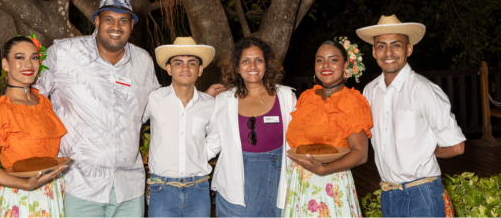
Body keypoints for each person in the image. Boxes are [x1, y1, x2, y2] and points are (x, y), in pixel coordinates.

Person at [0, 0, 223, 217]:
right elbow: (29, 93)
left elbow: (157, 105)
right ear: (97, 21)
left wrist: (199, 98)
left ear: (131, 25)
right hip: (81, 185)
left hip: (130, 187)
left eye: (123, 20)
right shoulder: (64, 52)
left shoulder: (142, 60)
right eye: (109, 19)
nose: (116, 27)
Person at [357, 14, 465, 217]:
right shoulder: (370, 91)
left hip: (421, 194)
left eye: (396, 45)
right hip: (388, 193)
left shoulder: (422, 90)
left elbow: (457, 147)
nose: (388, 52)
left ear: (409, 49)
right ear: (373, 51)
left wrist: (423, 151)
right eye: (381, 46)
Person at [0, 36, 67, 217]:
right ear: (5, 64)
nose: (29, 64)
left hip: (52, 195)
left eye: (34, 58)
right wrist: (26, 185)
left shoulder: (43, 103)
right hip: (21, 198)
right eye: (20, 57)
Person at [205, 37, 297, 217]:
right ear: (237, 68)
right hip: (234, 186)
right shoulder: (224, 101)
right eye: (246, 61)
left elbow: (297, 143)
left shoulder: (286, 97)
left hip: (279, 184)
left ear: (267, 65)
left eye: (259, 60)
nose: (253, 66)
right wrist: (182, 163)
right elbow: (212, 144)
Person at [283, 39, 373, 217]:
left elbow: (360, 154)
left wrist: (324, 170)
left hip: (332, 182)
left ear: (345, 64)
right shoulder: (307, 98)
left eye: (333, 59)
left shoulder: (352, 101)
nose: (326, 65)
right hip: (299, 181)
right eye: (320, 60)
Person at [143, 37, 217, 217]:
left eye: (192, 63)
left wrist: (200, 155)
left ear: (200, 70)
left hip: (198, 190)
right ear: (168, 68)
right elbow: (131, 123)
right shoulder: (153, 98)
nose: (185, 68)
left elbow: (217, 137)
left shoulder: (210, 104)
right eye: (178, 63)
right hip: (162, 189)